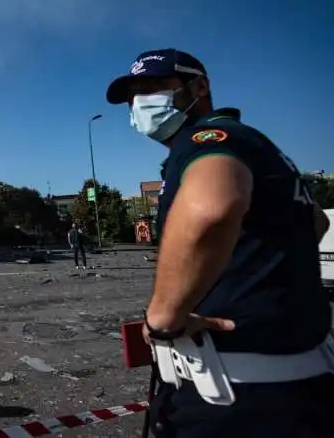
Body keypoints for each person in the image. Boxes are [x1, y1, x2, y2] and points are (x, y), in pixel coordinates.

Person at [106, 48, 333, 437]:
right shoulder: (256, 145)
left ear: (199, 86)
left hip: (234, 397)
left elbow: (211, 208)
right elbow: (315, 222)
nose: (140, 103)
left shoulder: (208, 138)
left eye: (155, 87)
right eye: (134, 95)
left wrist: (162, 317)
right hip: (298, 382)